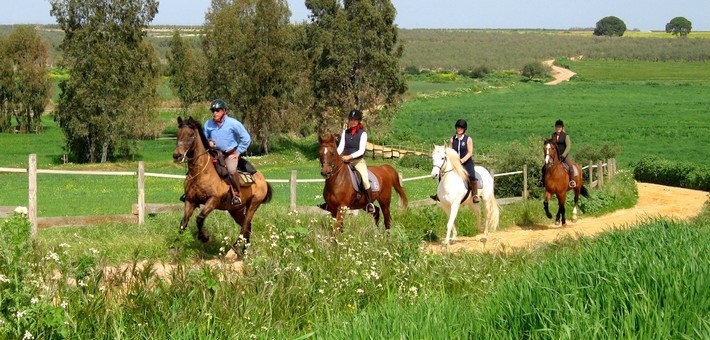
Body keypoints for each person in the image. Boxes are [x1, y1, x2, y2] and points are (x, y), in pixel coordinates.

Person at [204, 99, 252, 205]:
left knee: (230, 170)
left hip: (229, 154)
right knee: (200, 167)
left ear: (224, 111)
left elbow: (246, 138)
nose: (214, 113)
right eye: (213, 110)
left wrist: (238, 152)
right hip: (214, 154)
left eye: (217, 110)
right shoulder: (208, 124)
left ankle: (236, 195)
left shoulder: (233, 123)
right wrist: (209, 142)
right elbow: (204, 138)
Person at [431, 119, 480, 203]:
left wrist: (462, 160)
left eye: (460, 128)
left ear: (464, 129)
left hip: (467, 162)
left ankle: (475, 195)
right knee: (442, 174)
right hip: (455, 163)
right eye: (457, 127)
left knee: (472, 176)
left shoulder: (468, 139)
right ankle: (439, 194)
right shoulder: (453, 139)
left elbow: (470, 152)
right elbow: (450, 150)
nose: (458, 129)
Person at [337, 109, 376, 214]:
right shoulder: (345, 132)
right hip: (345, 161)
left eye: (355, 120)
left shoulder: (362, 134)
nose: (352, 122)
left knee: (365, 180)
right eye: (351, 120)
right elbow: (340, 148)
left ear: (359, 121)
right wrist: (336, 156)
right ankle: (329, 200)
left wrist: (349, 156)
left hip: (358, 162)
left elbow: (361, 150)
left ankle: (369, 203)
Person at [537, 119, 576, 188]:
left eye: (559, 127)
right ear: (555, 128)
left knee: (570, 166)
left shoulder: (565, 136)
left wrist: (564, 155)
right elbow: (550, 144)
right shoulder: (553, 135)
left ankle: (572, 181)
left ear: (562, 128)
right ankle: (542, 182)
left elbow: (568, 146)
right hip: (555, 155)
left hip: (564, 155)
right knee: (544, 167)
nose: (558, 128)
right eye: (557, 127)